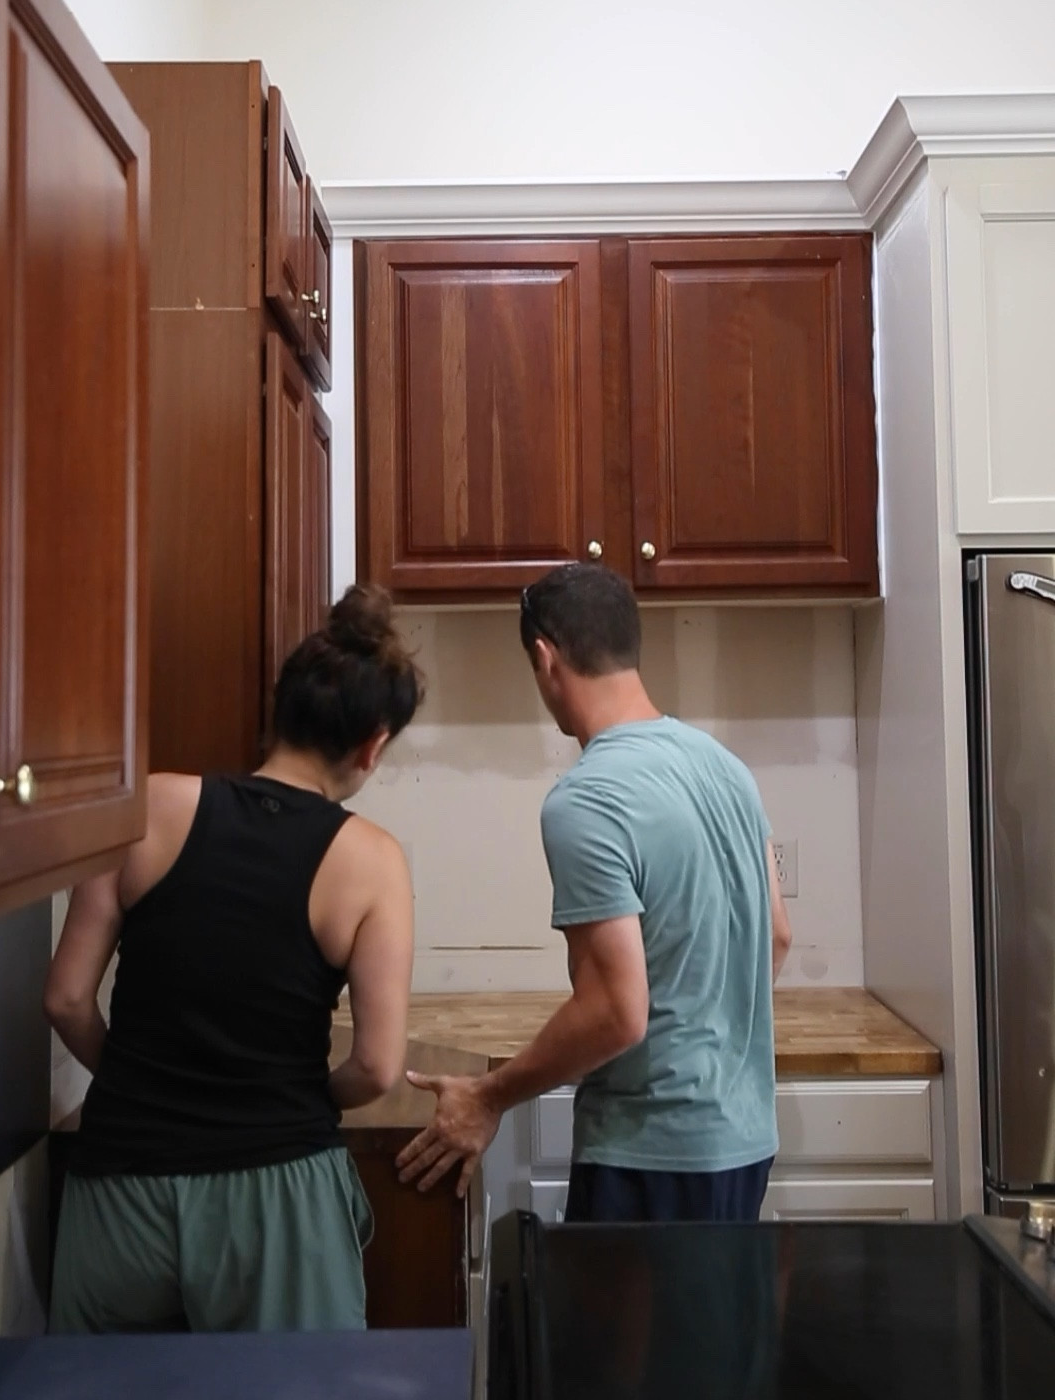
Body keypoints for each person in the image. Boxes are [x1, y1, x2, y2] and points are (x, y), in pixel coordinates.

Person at [46, 585, 423, 1332]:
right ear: (373, 745)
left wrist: (138, 1081)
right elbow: (378, 1068)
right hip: (276, 1194)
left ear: (279, 710)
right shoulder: (373, 862)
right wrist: (284, 1094)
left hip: (120, 1188)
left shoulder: (146, 810)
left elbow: (64, 999)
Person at [397, 562, 791, 1222]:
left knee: (620, 1330)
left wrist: (489, 1096)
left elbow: (616, 1010)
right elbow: (775, 936)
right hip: (744, 1142)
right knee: (717, 1327)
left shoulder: (588, 799)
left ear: (546, 659)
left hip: (650, 1153)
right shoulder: (726, 769)